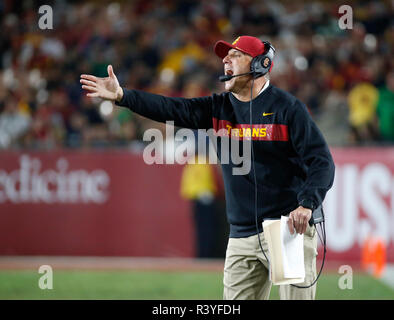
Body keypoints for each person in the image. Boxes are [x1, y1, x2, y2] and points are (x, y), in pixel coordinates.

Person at [80, 35, 335, 300]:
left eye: (235, 55)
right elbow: (171, 108)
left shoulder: (288, 109)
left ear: (260, 63)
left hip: (287, 229)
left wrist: (307, 204)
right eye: (226, 56)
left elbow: (321, 161)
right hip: (242, 235)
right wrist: (123, 96)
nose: (225, 60)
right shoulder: (219, 108)